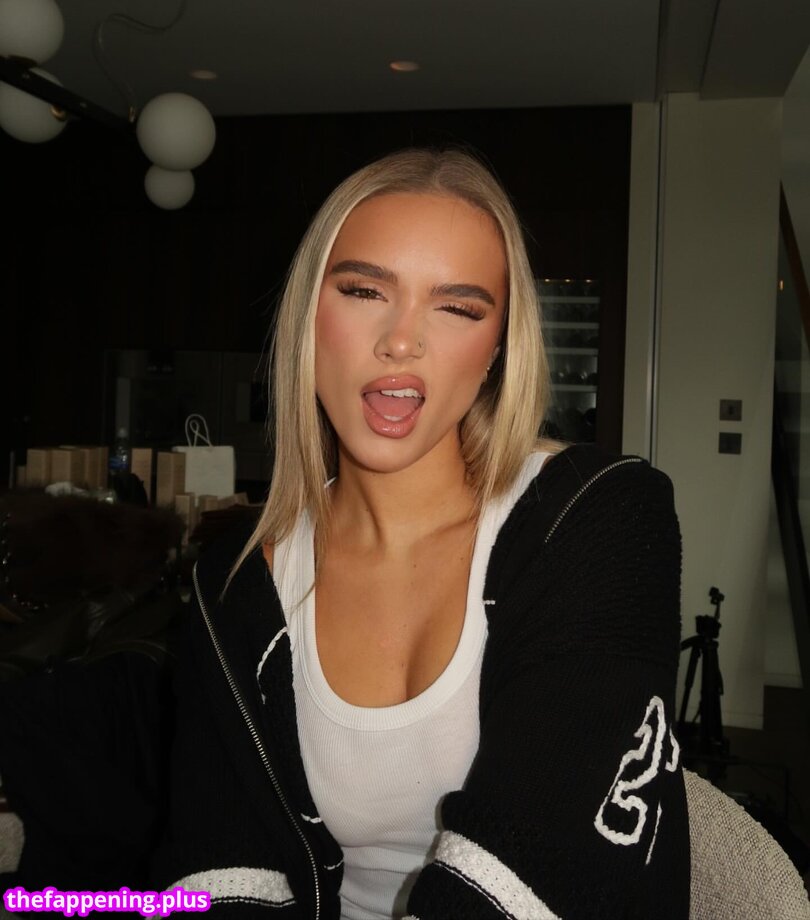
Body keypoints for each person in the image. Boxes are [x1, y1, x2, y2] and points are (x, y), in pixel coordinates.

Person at [152, 149, 690, 919]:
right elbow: (222, 868)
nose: (401, 340)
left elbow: (556, 867)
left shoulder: (597, 517)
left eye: (458, 308)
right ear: (309, 316)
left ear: (498, 346)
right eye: (364, 291)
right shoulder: (236, 587)